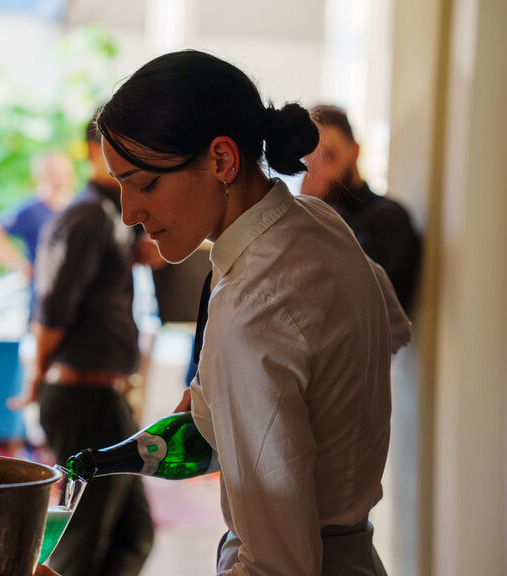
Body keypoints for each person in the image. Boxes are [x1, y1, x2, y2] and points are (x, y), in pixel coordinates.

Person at [35, 50, 411, 576]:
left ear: (221, 160)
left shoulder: (251, 309)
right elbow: (389, 329)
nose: (128, 211)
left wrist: (242, 383)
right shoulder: (320, 223)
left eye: (144, 184)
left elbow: (276, 567)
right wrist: (240, 407)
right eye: (119, 184)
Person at [13, 119, 154, 576]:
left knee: (132, 533)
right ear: (93, 151)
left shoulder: (116, 218)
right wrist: (37, 377)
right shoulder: (87, 216)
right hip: (83, 395)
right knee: (82, 542)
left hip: (103, 395)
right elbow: (52, 307)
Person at [301, 105, 421, 313]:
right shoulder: (319, 213)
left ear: (354, 151)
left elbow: (335, 294)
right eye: (310, 162)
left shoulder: (389, 219)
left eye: (329, 156)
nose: (320, 172)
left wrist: (311, 211)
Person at [0, 152, 75, 280]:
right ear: (42, 176)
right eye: (56, 173)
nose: (63, 178)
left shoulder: (74, 208)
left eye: (66, 173)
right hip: (45, 288)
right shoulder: (31, 209)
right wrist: (20, 265)